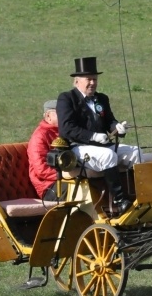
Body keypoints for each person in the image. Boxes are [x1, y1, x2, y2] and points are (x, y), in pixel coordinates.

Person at [56, 56, 140, 213]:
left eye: (94, 79)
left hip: (103, 145)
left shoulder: (101, 98)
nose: (92, 83)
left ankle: (139, 195)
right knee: (108, 156)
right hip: (78, 147)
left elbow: (109, 121)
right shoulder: (66, 99)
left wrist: (117, 127)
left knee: (136, 152)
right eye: (88, 79)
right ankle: (119, 201)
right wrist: (93, 136)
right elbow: (66, 129)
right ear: (77, 81)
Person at [27, 99, 63, 201]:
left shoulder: (66, 132)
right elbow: (41, 170)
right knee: (82, 190)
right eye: (60, 113)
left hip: (69, 179)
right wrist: (66, 175)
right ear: (48, 116)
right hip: (49, 187)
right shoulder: (39, 137)